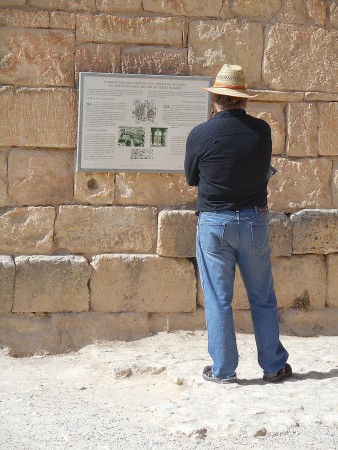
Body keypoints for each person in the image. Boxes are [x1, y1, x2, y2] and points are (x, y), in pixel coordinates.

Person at [184, 64, 291, 384]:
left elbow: (192, 178)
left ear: (216, 98)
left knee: (218, 298)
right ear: (243, 99)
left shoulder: (200, 134)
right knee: (262, 297)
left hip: (215, 222)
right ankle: (273, 366)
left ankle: (224, 369)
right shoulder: (262, 130)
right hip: (254, 220)